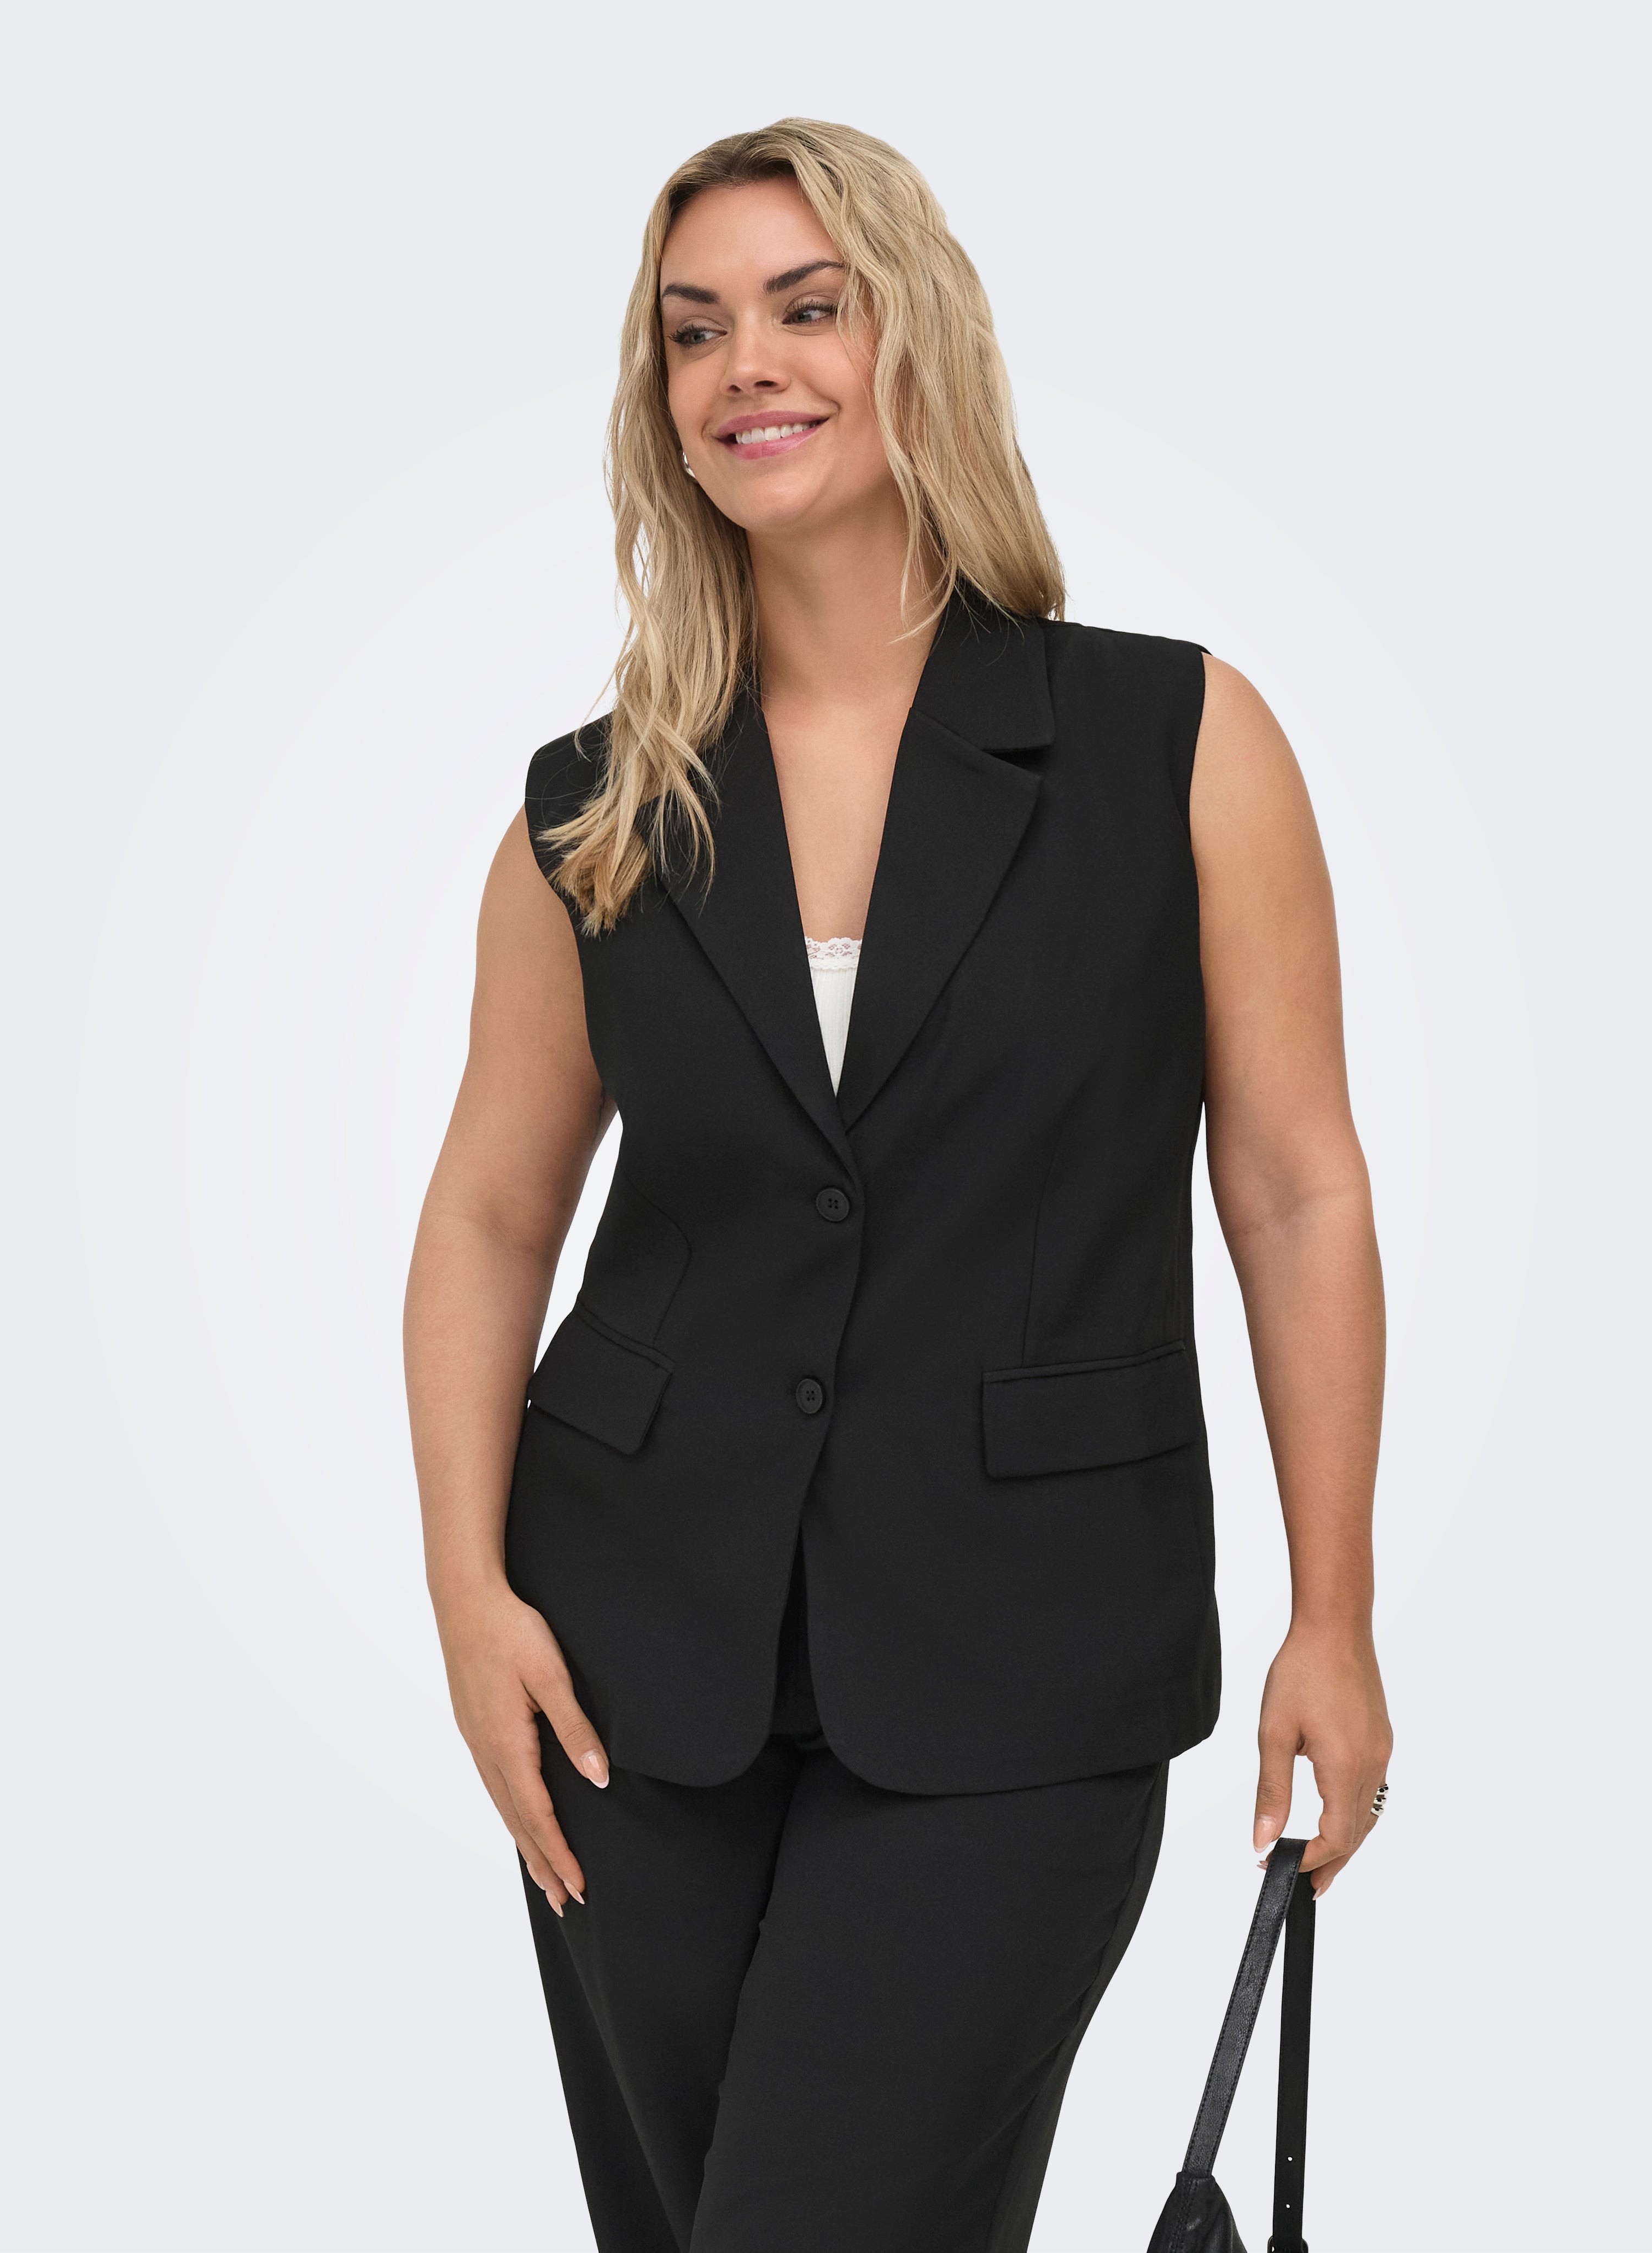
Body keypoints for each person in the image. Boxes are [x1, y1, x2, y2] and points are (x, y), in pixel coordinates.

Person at [403, 117, 1393, 2253]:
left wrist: (1334, 1609)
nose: (742, 364)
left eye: (804, 305)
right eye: (691, 330)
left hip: (1028, 1662)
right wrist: (466, 1598)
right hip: (626, 1669)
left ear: (913, 336)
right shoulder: (595, 808)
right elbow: (488, 1214)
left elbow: (1293, 1185)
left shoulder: (1173, 744)